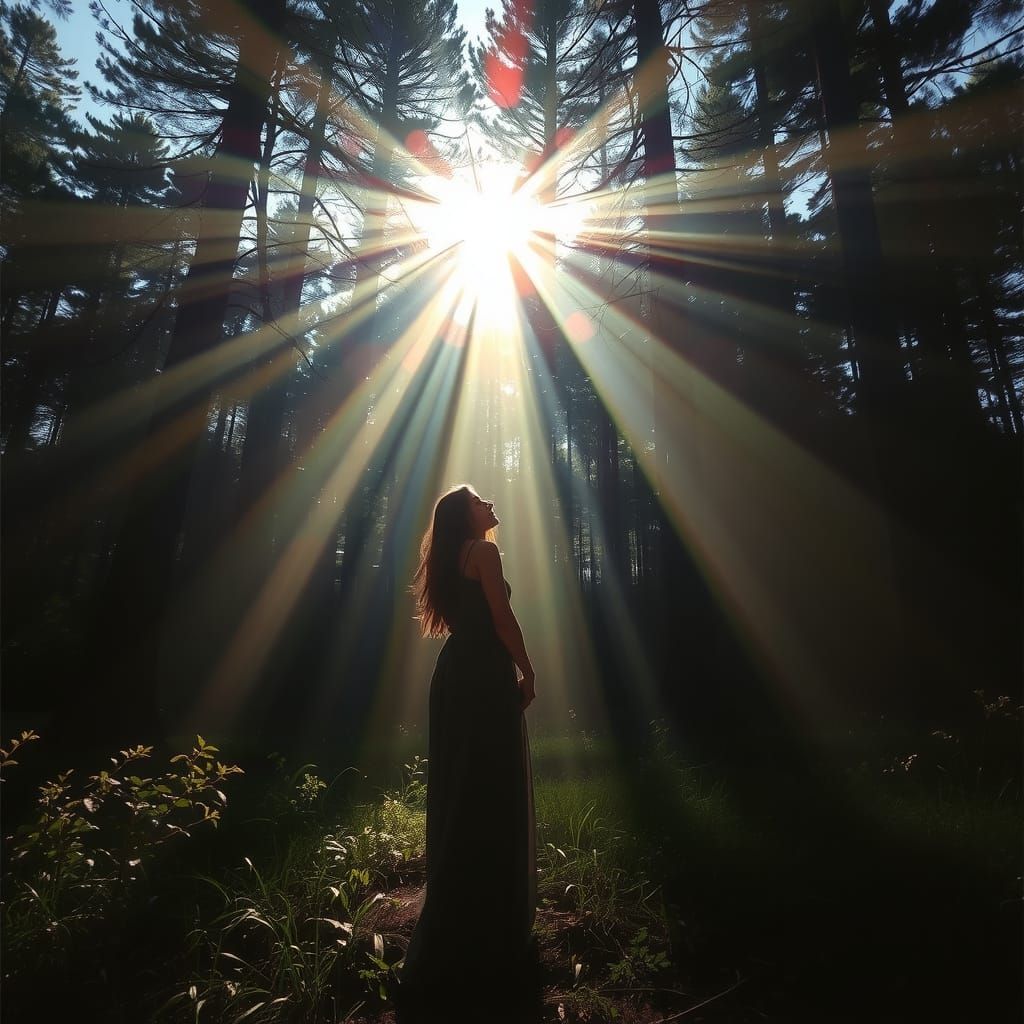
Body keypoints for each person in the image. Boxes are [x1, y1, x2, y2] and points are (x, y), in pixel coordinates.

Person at [398, 484, 537, 1019]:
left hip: (453, 677)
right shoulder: (483, 551)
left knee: (462, 787)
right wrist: (528, 669)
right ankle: (490, 918)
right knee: (492, 785)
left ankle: (460, 907)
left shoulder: (448, 558)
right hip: (482, 677)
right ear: (466, 515)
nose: (491, 504)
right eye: (481, 501)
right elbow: (502, 619)